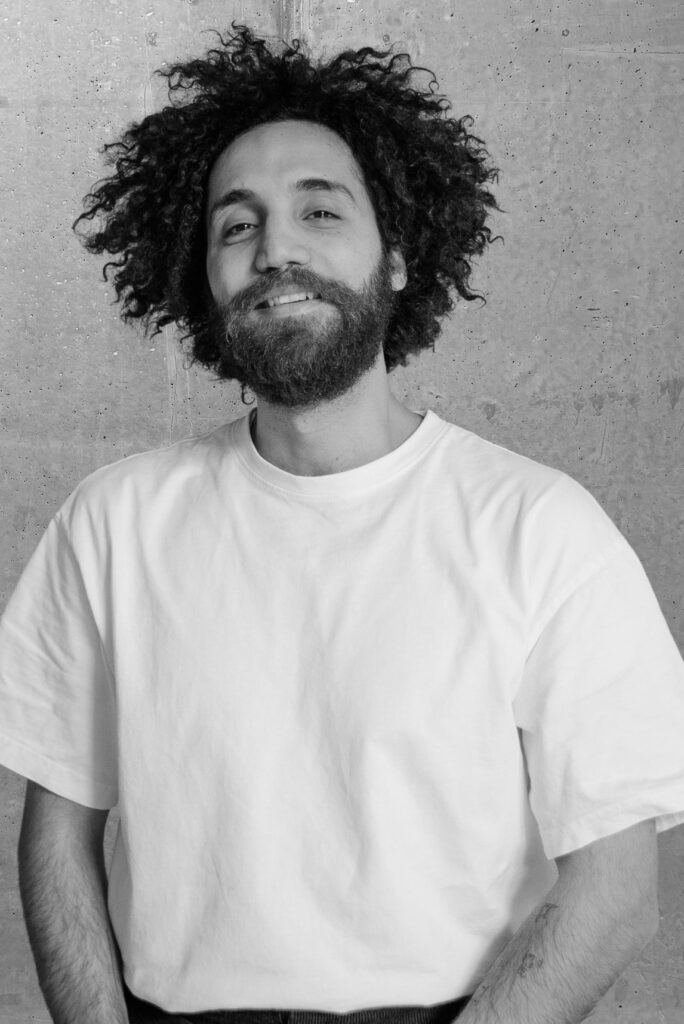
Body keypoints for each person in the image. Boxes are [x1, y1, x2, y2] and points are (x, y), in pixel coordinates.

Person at [2, 22, 684, 1024]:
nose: (276, 249)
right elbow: (56, 835)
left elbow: (618, 892)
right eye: (237, 226)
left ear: (397, 259)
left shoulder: (541, 530)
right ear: (203, 276)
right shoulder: (112, 523)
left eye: (320, 211)